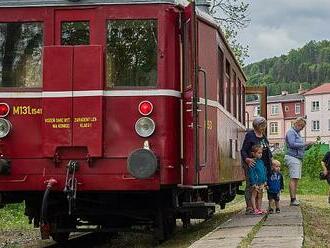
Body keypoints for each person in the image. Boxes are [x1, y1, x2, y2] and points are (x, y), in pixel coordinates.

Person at [241, 116, 273, 214]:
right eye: (262, 126)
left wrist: (271, 160)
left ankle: (257, 208)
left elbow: (267, 150)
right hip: (252, 163)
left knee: (260, 185)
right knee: (251, 184)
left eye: (264, 125)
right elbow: (243, 150)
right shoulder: (250, 135)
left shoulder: (263, 136)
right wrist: (247, 159)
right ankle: (249, 207)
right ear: (256, 126)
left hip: (262, 164)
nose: (264, 127)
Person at [284, 117, 311, 206]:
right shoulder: (291, 132)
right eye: (301, 126)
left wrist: (307, 147)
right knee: (293, 178)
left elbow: (299, 146)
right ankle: (293, 199)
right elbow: (292, 144)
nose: (302, 128)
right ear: (297, 124)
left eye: (303, 127)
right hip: (292, 157)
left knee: (295, 178)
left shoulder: (297, 133)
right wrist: (305, 144)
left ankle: (294, 198)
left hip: (297, 158)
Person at [247, 145, 267, 215]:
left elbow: (264, 171)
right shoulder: (253, 162)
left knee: (260, 196)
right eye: (259, 153)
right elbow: (251, 173)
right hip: (255, 183)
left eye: (261, 153)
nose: (260, 154)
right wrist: (254, 183)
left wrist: (265, 181)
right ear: (253, 154)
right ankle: (254, 209)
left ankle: (259, 208)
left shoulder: (261, 162)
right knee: (254, 195)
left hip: (261, 182)